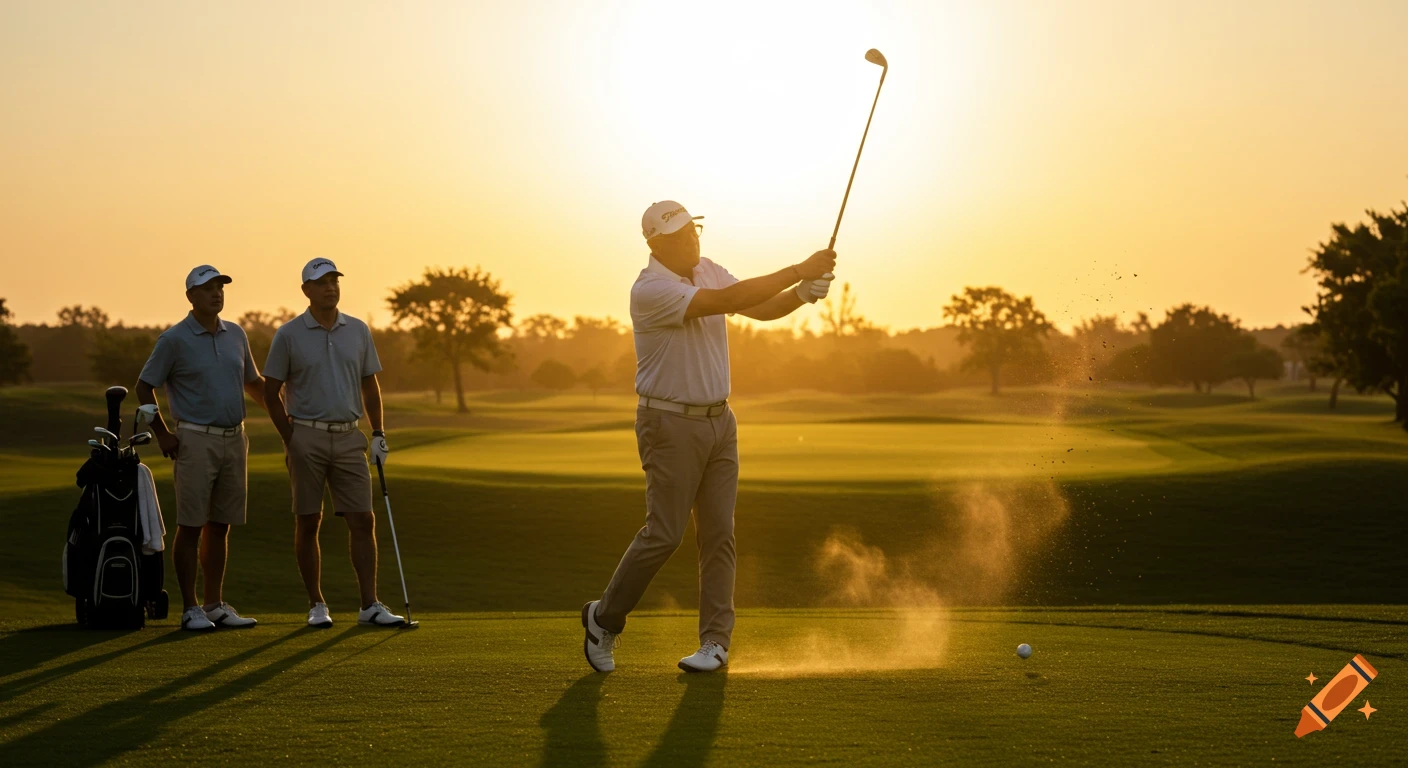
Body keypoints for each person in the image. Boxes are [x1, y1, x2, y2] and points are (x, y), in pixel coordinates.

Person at [582, 201, 836, 673]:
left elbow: (759, 307)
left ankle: (715, 643)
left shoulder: (708, 270)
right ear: (656, 244)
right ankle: (604, 618)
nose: (692, 240)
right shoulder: (651, 289)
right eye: (680, 235)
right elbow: (726, 301)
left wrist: (802, 294)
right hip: (669, 424)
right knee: (664, 534)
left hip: (721, 421)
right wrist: (798, 270)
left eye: (694, 230)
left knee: (720, 535)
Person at [262, 258, 402, 628]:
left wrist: (378, 433)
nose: (330, 287)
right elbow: (271, 392)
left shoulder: (357, 330)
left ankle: (369, 605)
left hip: (349, 435)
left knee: (363, 519)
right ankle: (317, 604)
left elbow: (370, 384)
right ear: (306, 290)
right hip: (305, 434)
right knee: (309, 520)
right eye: (322, 282)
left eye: (334, 281)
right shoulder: (288, 334)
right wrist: (290, 438)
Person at [136, 265, 265, 631]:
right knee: (191, 525)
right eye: (208, 288)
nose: (216, 293)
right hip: (194, 438)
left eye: (220, 287)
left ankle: (213, 604)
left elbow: (254, 383)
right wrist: (162, 433)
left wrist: (286, 415)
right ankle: (190, 608)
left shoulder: (236, 334)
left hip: (234, 438)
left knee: (220, 525)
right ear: (191, 296)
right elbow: (144, 386)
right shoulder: (174, 339)